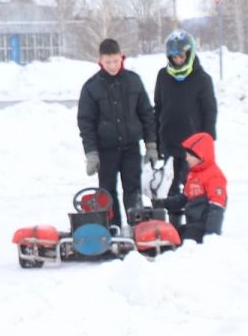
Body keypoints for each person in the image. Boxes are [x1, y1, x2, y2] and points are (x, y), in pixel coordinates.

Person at [76, 37, 158, 229]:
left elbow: (147, 114)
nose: (112, 66)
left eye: (115, 61)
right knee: (107, 192)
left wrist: (151, 145)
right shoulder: (91, 87)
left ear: (122, 58)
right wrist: (91, 153)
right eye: (108, 62)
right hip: (106, 151)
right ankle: (112, 229)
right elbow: (85, 123)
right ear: (100, 61)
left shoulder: (133, 81)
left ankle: (136, 227)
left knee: (133, 188)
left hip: (130, 148)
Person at [152, 30, 216, 199]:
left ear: (189, 54)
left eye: (181, 56)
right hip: (168, 143)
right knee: (167, 193)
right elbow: (158, 108)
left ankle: (193, 224)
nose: (178, 60)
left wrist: (207, 142)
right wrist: (155, 141)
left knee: (192, 191)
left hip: (193, 147)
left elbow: (209, 111)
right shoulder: (163, 76)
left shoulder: (202, 79)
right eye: (174, 57)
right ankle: (172, 223)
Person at [176, 131, 227, 243]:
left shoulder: (214, 176)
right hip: (192, 225)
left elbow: (217, 208)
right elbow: (184, 198)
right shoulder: (193, 174)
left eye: (190, 156)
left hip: (203, 229)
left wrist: (211, 236)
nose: (186, 159)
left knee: (180, 241)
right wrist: (161, 203)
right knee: (170, 235)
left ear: (200, 155)